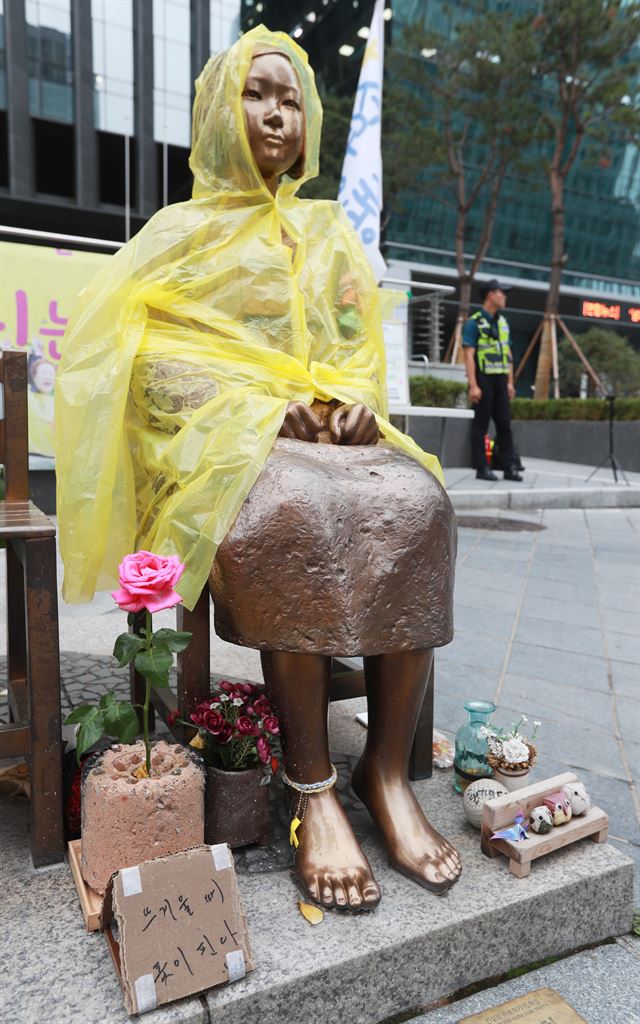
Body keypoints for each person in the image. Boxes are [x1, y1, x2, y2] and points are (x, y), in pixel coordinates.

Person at [56, 27, 462, 912]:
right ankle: (313, 784)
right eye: (257, 94)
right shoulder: (179, 234)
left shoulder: (326, 234)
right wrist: (254, 407)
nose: (278, 114)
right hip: (221, 445)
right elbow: (144, 366)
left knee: (420, 500)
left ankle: (386, 772)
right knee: (291, 510)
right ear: (216, 112)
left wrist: (352, 406)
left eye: (292, 100)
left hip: (327, 441)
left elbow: (354, 353)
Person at [462, 279, 523, 482]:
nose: (504, 297)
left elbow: (509, 355)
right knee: (481, 425)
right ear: (490, 294)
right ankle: (482, 468)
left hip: (501, 381)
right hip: (483, 379)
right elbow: (468, 355)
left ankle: (509, 467)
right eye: (501, 292)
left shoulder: (503, 323)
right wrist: (473, 385)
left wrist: (510, 382)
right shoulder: (474, 322)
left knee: (505, 424)